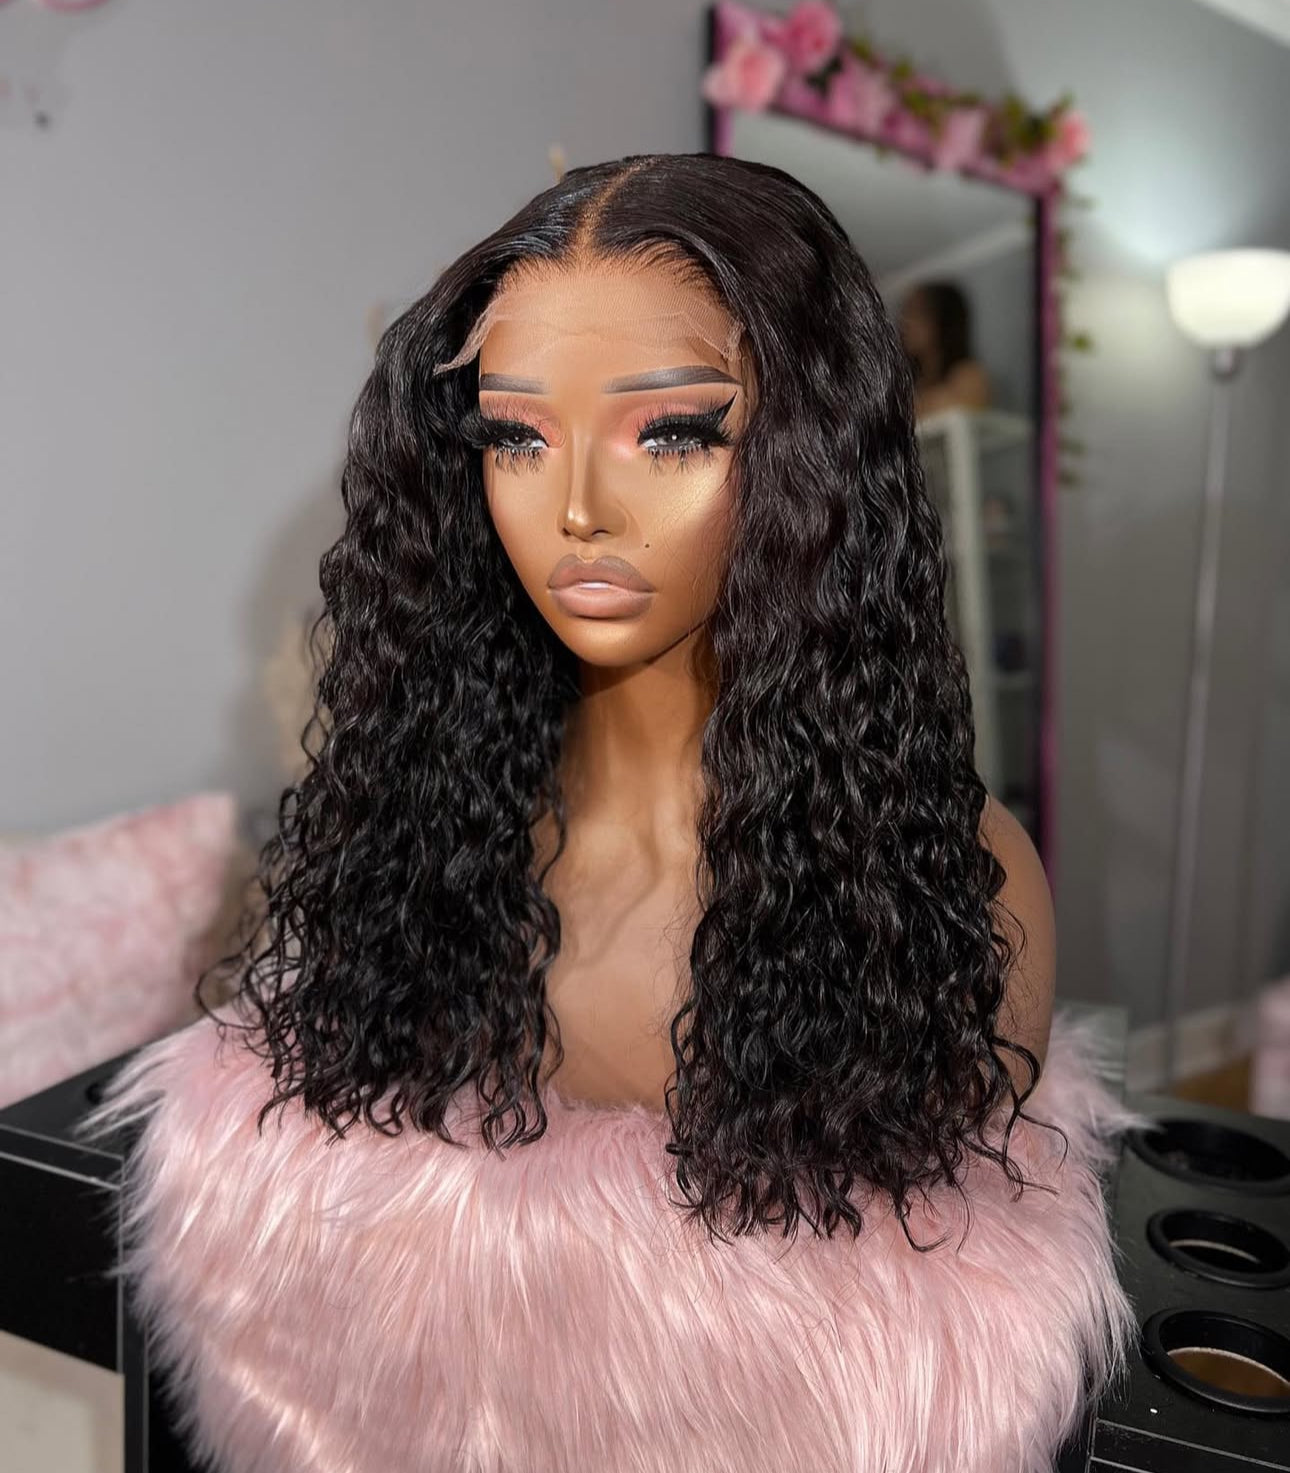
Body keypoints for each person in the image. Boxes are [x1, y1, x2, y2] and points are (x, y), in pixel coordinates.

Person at [77, 152, 1142, 1473]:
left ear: (809, 457)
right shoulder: (419, 842)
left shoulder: (952, 891)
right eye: (517, 437)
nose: (577, 508)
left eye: (672, 433)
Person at [899, 279, 992, 417]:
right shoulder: (907, 386)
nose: (905, 322)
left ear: (943, 320)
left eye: (916, 312)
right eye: (905, 312)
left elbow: (959, 413)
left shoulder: (970, 376)